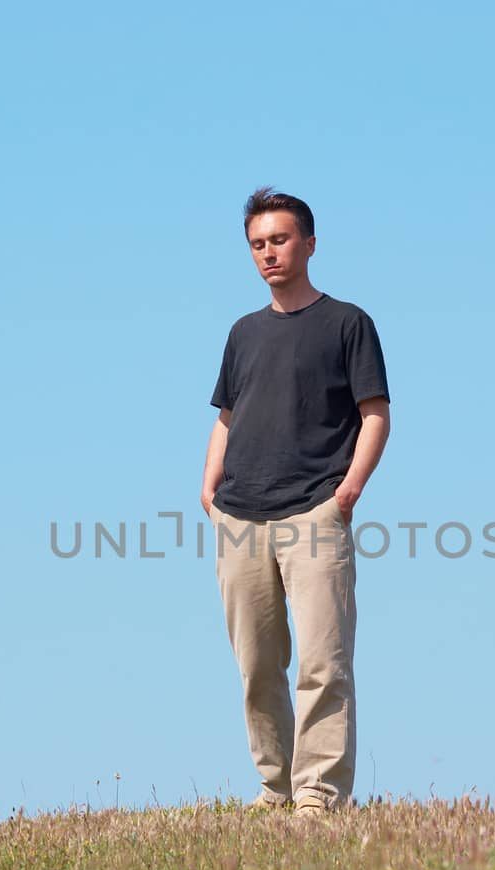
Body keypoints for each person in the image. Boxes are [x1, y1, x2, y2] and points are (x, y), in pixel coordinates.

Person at [200, 187, 391, 818]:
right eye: (257, 244)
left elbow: (375, 416)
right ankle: (275, 788)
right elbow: (227, 415)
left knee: (323, 663)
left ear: (308, 243)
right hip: (240, 515)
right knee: (257, 666)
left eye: (279, 240)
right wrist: (210, 487)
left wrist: (348, 491)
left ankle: (318, 793)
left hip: (315, 510)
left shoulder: (348, 323)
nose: (268, 254)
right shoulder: (243, 332)